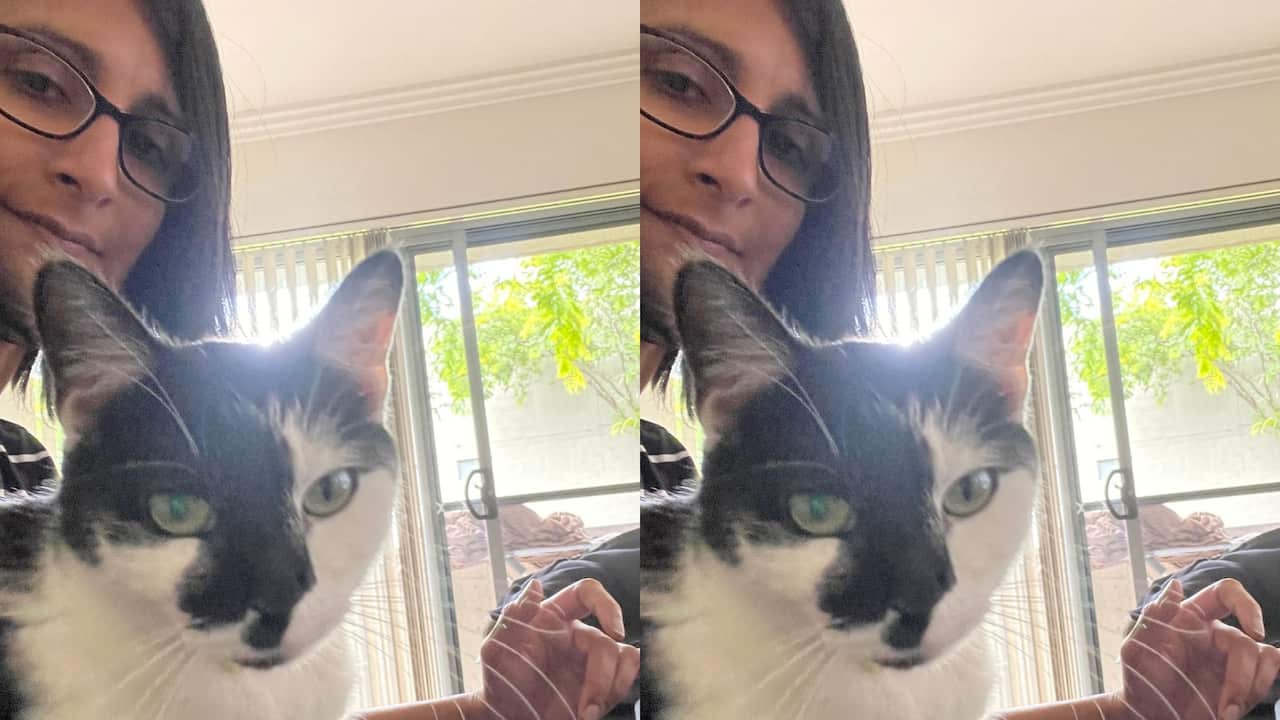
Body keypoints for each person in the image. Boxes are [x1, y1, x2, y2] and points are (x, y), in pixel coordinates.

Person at [627, 0, 1280, 717]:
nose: (737, 173)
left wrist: (1139, 708)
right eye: (679, 83)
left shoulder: (666, 465)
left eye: (788, 146)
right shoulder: (640, 603)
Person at [0, 2, 637, 719]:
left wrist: (496, 709)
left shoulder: (23, 466)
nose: (98, 173)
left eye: (148, 146)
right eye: (37, 84)